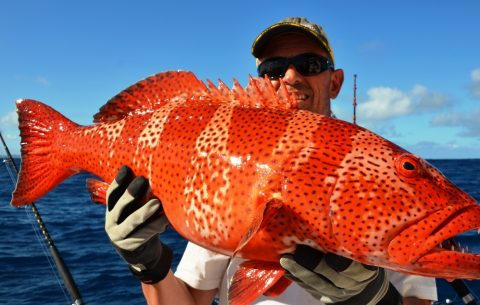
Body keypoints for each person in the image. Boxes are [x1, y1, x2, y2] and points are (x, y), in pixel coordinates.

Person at [104, 17, 438, 305]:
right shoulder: (230, 165)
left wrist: (377, 300)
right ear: (261, 84)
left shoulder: (379, 178)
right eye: (274, 69)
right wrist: (149, 265)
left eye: (310, 64)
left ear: (334, 82)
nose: (290, 78)